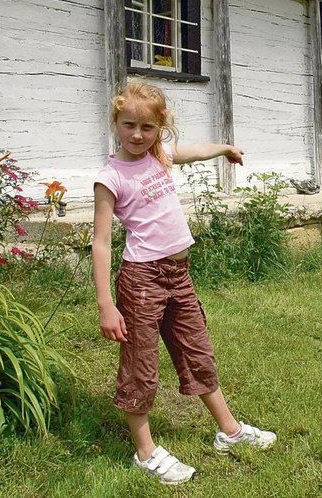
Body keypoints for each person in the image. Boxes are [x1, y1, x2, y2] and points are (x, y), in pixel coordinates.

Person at [92, 81, 276, 485]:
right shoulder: (111, 177)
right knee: (140, 365)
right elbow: (101, 242)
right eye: (128, 126)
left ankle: (230, 432)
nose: (137, 135)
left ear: (160, 130)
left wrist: (225, 148)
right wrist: (107, 303)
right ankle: (146, 452)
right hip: (142, 280)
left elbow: (191, 153)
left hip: (179, 275)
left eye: (147, 128)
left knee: (198, 351)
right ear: (115, 123)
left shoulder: (159, 156)